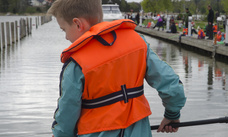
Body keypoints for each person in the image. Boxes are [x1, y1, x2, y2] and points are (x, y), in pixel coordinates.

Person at [47, 0, 186, 137]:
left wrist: (59, 134)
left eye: (64, 29)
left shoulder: (76, 64)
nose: (65, 37)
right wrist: (172, 114)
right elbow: (171, 84)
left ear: (78, 24)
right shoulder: (138, 43)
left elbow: (67, 112)